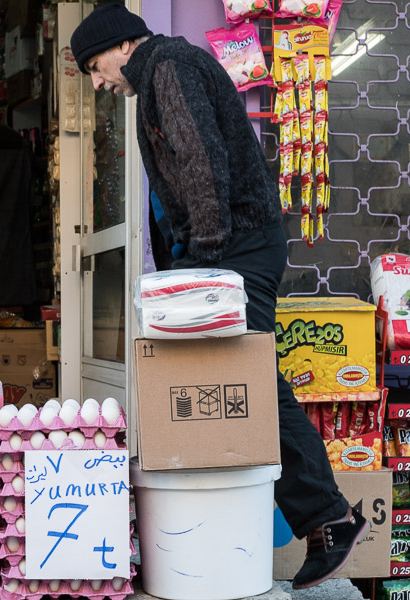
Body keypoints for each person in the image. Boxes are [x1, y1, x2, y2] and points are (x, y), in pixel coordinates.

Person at [71, 4, 369, 590]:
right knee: (249, 383)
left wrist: (205, 265)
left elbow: (202, 161)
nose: (99, 82)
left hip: (235, 250)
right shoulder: (160, 71)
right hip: (223, 250)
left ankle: (328, 517)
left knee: (254, 385)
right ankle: (318, 516)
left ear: (121, 45)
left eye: (94, 67)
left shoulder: (170, 66)